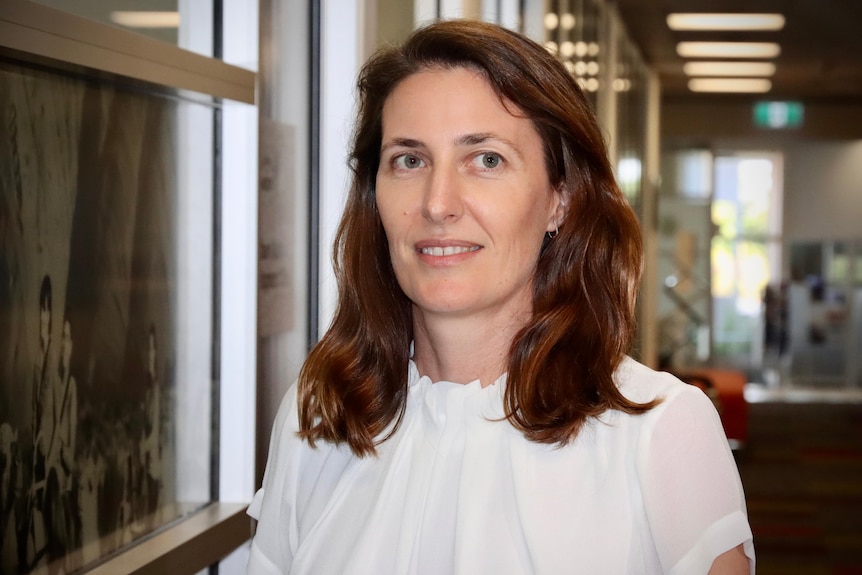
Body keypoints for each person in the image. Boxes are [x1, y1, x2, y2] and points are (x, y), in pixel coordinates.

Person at [248, 19, 754, 575]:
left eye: (486, 159)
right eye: (409, 160)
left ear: (560, 199)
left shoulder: (662, 429)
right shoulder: (320, 414)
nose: (438, 204)